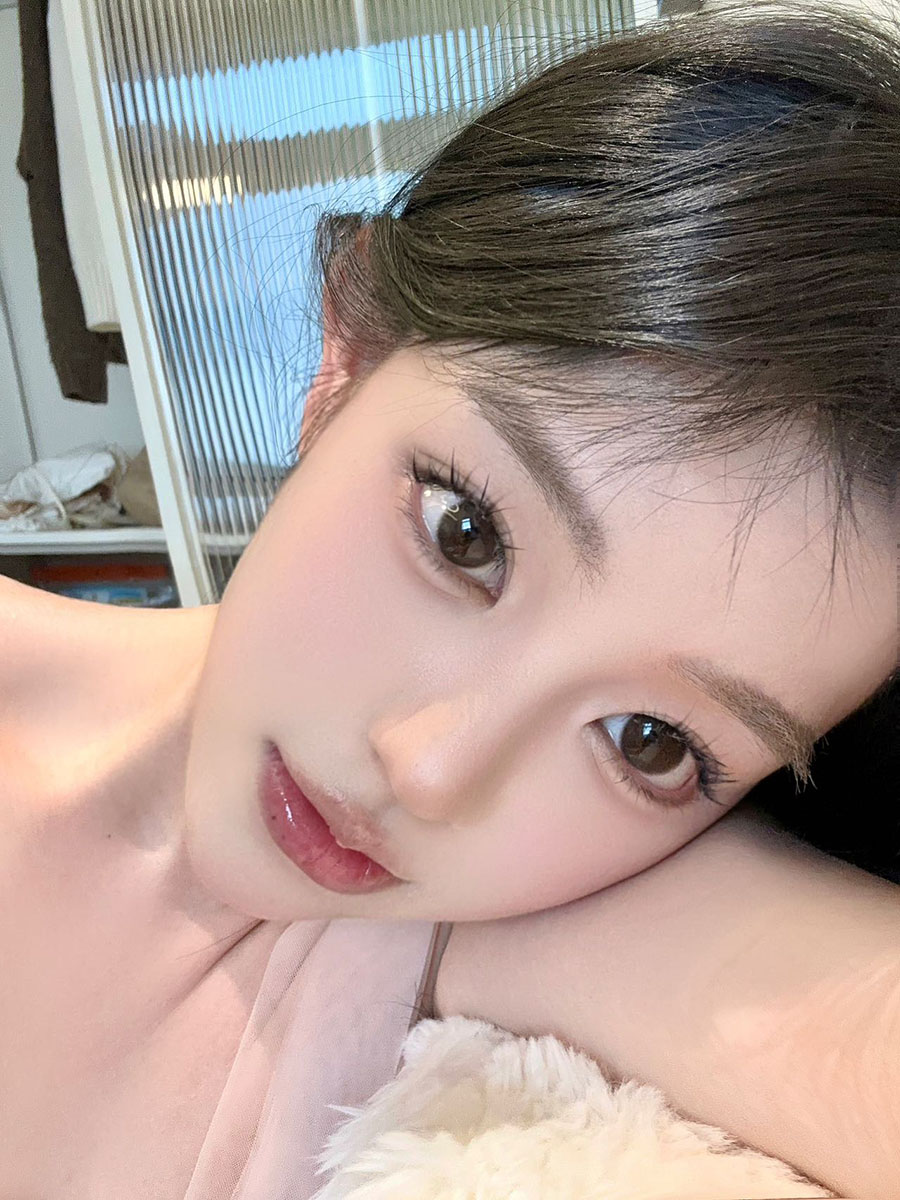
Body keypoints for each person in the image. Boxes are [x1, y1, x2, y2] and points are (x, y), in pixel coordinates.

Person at [0, 1, 896, 1195]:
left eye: (650, 742)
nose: (428, 771)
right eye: (464, 535)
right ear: (349, 360)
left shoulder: (538, 920)